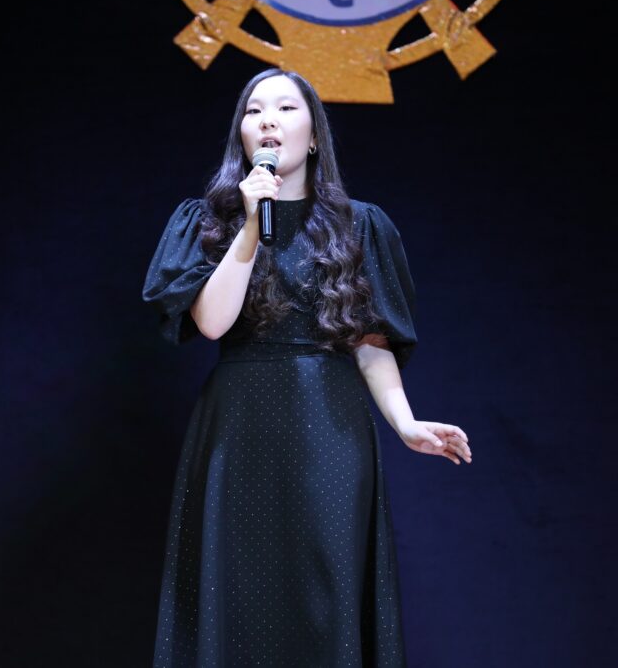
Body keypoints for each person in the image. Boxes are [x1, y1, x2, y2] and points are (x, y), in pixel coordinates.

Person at [142, 68, 471, 667]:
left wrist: (405, 423)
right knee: (238, 594)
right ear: (242, 135)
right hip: (239, 425)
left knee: (327, 592)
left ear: (315, 135)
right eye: (254, 111)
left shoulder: (360, 225)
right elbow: (212, 323)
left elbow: (369, 340)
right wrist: (250, 225)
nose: (268, 120)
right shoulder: (206, 222)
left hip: (330, 425)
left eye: (286, 109)